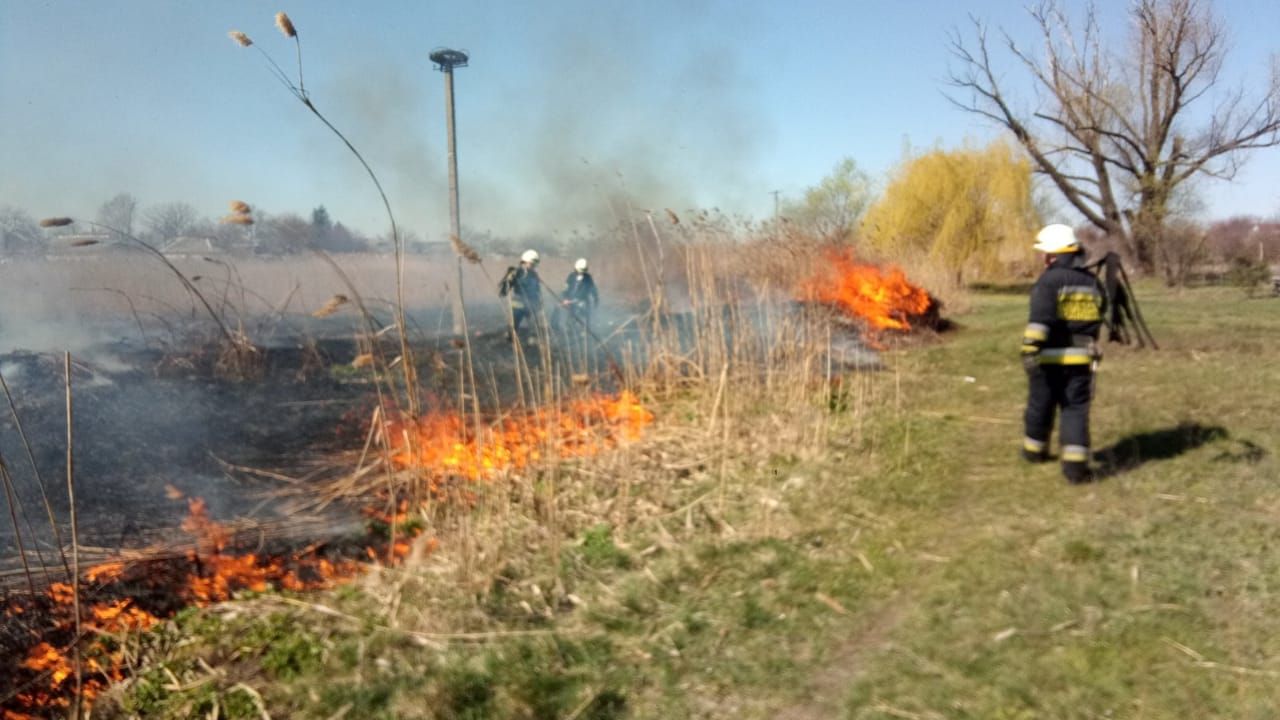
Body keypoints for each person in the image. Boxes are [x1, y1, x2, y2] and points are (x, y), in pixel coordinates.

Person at [1020, 224, 1106, 484]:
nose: (1043, 259)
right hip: (1081, 358)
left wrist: (1028, 350)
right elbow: (1100, 315)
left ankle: (1034, 452)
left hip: (1049, 359)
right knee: (1075, 410)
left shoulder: (1049, 281)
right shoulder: (1093, 282)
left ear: (1053, 256)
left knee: (1040, 405)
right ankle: (1075, 469)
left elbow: (1040, 320)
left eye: (1045, 254)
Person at [499, 249, 543, 335]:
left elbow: (537, 289)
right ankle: (511, 338)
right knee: (513, 324)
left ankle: (533, 339)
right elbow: (505, 288)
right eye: (532, 264)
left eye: (535, 264)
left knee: (535, 325)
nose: (534, 266)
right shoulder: (516, 272)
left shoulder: (534, 274)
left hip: (531, 304)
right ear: (525, 262)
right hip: (518, 303)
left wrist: (539, 301)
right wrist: (507, 280)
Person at [559, 257, 599, 330]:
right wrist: (565, 299)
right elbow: (565, 289)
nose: (581, 272)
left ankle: (584, 330)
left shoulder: (588, 278)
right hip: (570, 301)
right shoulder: (571, 276)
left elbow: (592, 290)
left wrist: (596, 300)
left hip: (583, 301)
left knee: (583, 316)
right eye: (580, 270)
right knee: (569, 316)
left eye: (583, 271)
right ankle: (569, 327)